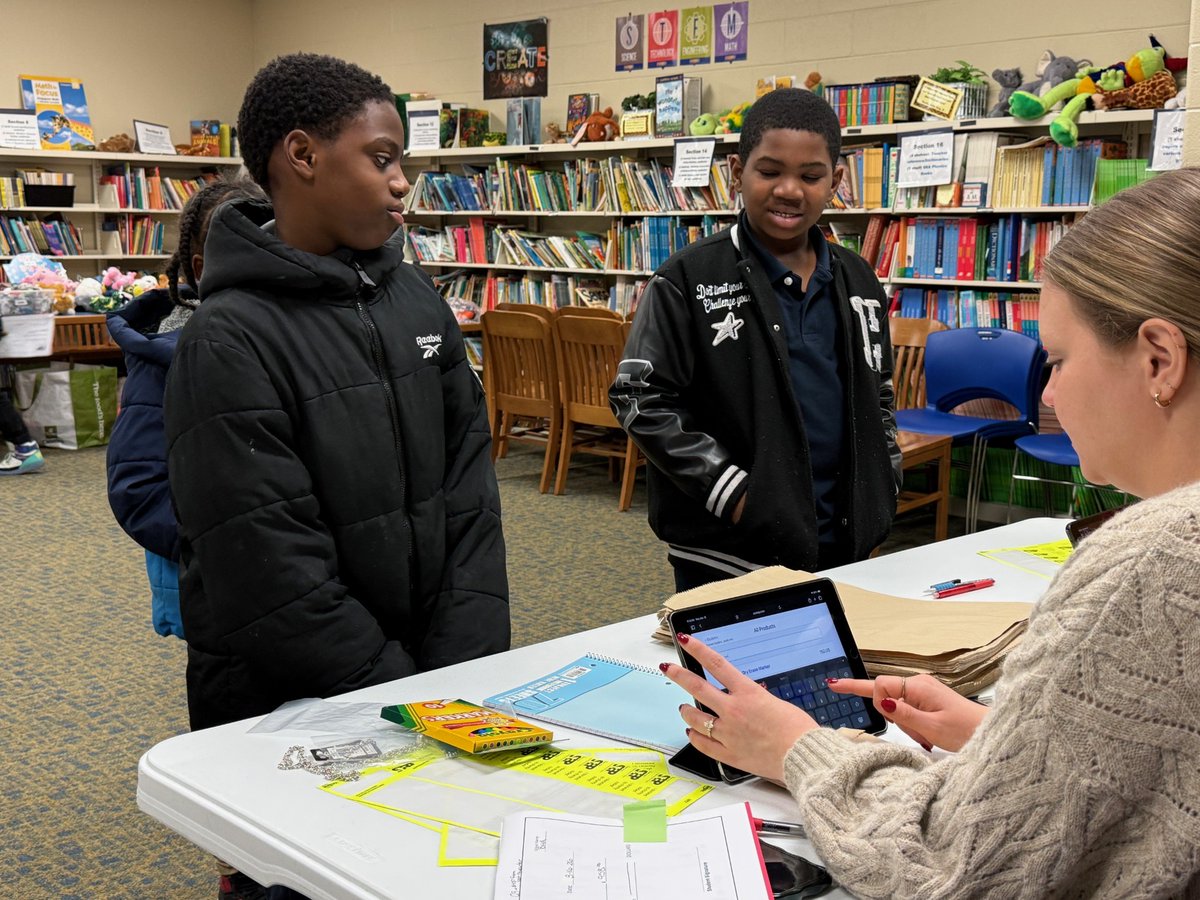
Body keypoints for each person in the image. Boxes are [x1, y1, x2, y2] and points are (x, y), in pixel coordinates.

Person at [660, 168, 1200, 896]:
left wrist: (795, 746)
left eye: (1058, 360)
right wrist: (1011, 741)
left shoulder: (1153, 562)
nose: (1047, 393)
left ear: (1159, 358)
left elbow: (950, 868)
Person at [163, 55, 510, 897]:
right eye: (381, 157)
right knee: (302, 877)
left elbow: (471, 492)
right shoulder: (228, 339)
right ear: (302, 156)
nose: (401, 183)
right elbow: (266, 566)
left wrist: (461, 669)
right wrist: (401, 694)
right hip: (294, 700)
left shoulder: (416, 301)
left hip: (432, 682)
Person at [610, 88, 900, 592]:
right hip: (726, 549)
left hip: (842, 537)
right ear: (737, 171)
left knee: (840, 645)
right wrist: (738, 494)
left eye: (811, 176)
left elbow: (880, 392)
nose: (789, 190)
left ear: (836, 181)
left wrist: (883, 480)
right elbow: (640, 397)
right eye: (769, 172)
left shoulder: (858, 279)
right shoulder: (688, 278)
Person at [106, 178, 264, 638]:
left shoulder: (275, 334)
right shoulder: (166, 357)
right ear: (201, 267)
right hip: (205, 569)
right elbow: (138, 486)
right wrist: (222, 544)